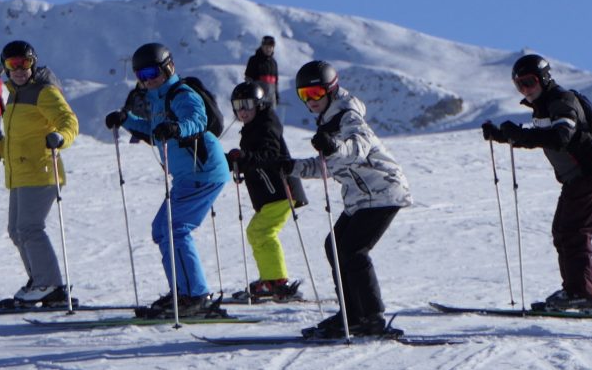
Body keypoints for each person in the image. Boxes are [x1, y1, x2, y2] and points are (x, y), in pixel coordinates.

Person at [280, 60, 411, 338]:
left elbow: (358, 147)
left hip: (384, 190)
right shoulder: (327, 121)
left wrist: (334, 146)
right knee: (335, 246)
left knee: (353, 250)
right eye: (305, 95)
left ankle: (372, 317)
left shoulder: (348, 115)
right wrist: (291, 167)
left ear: (331, 90)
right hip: (361, 197)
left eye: (316, 93)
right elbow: (327, 166)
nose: (311, 100)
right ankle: (351, 314)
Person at [104, 42, 230, 318]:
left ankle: (195, 295)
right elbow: (154, 131)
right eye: (141, 76)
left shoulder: (182, 93)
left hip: (203, 171)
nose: (147, 80)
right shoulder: (157, 98)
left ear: (168, 68)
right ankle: (183, 292)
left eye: (152, 73)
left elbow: (198, 120)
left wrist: (177, 128)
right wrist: (125, 119)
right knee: (162, 230)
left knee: (175, 229)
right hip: (187, 176)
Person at [481, 54, 592, 311]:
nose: (525, 90)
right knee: (563, 232)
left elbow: (560, 137)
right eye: (519, 85)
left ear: (543, 78)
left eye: (529, 82)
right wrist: (502, 135)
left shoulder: (561, 101)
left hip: (590, 173)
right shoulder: (545, 105)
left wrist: (519, 135)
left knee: (573, 232)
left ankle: (583, 293)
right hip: (578, 177)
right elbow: (542, 135)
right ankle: (575, 291)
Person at [0, 41, 79, 308]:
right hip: (19, 173)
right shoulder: (14, 94)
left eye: (25, 64)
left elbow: (69, 121)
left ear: (33, 63)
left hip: (41, 171)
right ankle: (40, 282)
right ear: (5, 67)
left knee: (30, 228)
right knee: (17, 231)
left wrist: (60, 138)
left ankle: (49, 284)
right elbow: (18, 138)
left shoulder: (45, 91)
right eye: (13, 65)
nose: (19, 70)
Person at [225, 81, 309, 301]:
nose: (242, 111)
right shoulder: (253, 127)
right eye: (238, 106)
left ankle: (278, 282)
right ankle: (270, 279)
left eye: (247, 104)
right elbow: (253, 159)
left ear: (259, 104)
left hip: (281, 189)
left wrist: (245, 158)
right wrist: (235, 161)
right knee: (257, 232)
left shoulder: (267, 125)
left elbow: (270, 154)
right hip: (269, 193)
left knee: (262, 232)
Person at [244, 35, 279, 106]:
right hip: (257, 99)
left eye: (270, 47)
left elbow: (275, 82)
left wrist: (276, 95)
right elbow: (248, 79)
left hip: (271, 100)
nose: (268, 49)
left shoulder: (273, 63)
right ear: (262, 47)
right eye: (266, 47)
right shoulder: (254, 60)